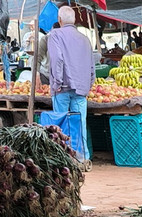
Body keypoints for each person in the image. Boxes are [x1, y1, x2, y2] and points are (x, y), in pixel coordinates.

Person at [47, 5, 93, 166]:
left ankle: (63, 159)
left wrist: (57, 83)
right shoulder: (85, 39)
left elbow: (57, 59)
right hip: (81, 89)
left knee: (60, 126)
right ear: (75, 20)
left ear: (59, 20)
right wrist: (89, 84)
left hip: (62, 88)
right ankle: (82, 158)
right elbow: (91, 65)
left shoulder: (55, 35)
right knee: (80, 124)